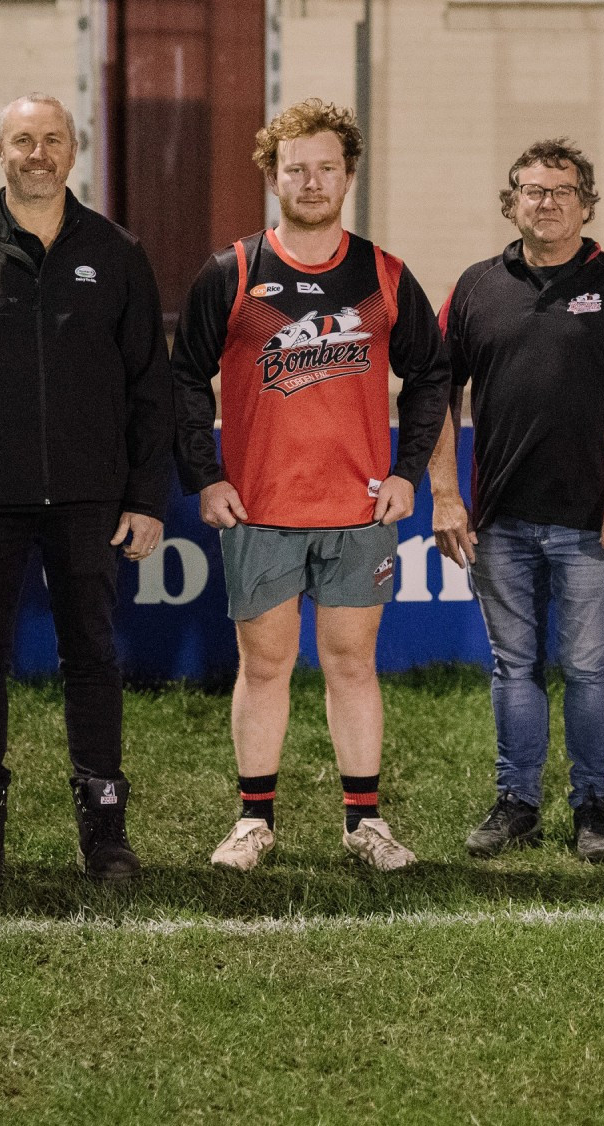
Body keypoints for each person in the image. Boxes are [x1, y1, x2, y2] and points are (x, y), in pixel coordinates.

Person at [0, 93, 173, 885]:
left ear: (73, 150)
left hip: (91, 499)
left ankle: (106, 833)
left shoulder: (116, 251)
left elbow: (151, 388)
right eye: (24, 140)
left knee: (91, 656)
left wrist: (147, 497)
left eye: (52, 139)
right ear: (0, 150)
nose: (38, 153)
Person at [172, 98, 447, 873]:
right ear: (273, 175)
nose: (314, 181)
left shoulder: (384, 275)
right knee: (263, 667)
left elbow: (431, 374)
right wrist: (206, 474)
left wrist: (405, 472)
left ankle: (366, 823)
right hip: (261, 508)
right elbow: (184, 379)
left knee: (352, 663)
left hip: (357, 510)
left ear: (349, 174)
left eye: (328, 167)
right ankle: (253, 822)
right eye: (297, 169)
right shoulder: (232, 272)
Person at [429, 139, 604, 862]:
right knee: (514, 666)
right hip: (499, 522)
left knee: (588, 668)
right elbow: (436, 395)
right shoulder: (476, 287)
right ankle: (518, 802)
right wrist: (445, 491)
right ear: (511, 203)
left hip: (592, 523)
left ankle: (594, 809)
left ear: (586, 203)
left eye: (561, 190)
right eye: (532, 191)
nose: (547, 202)